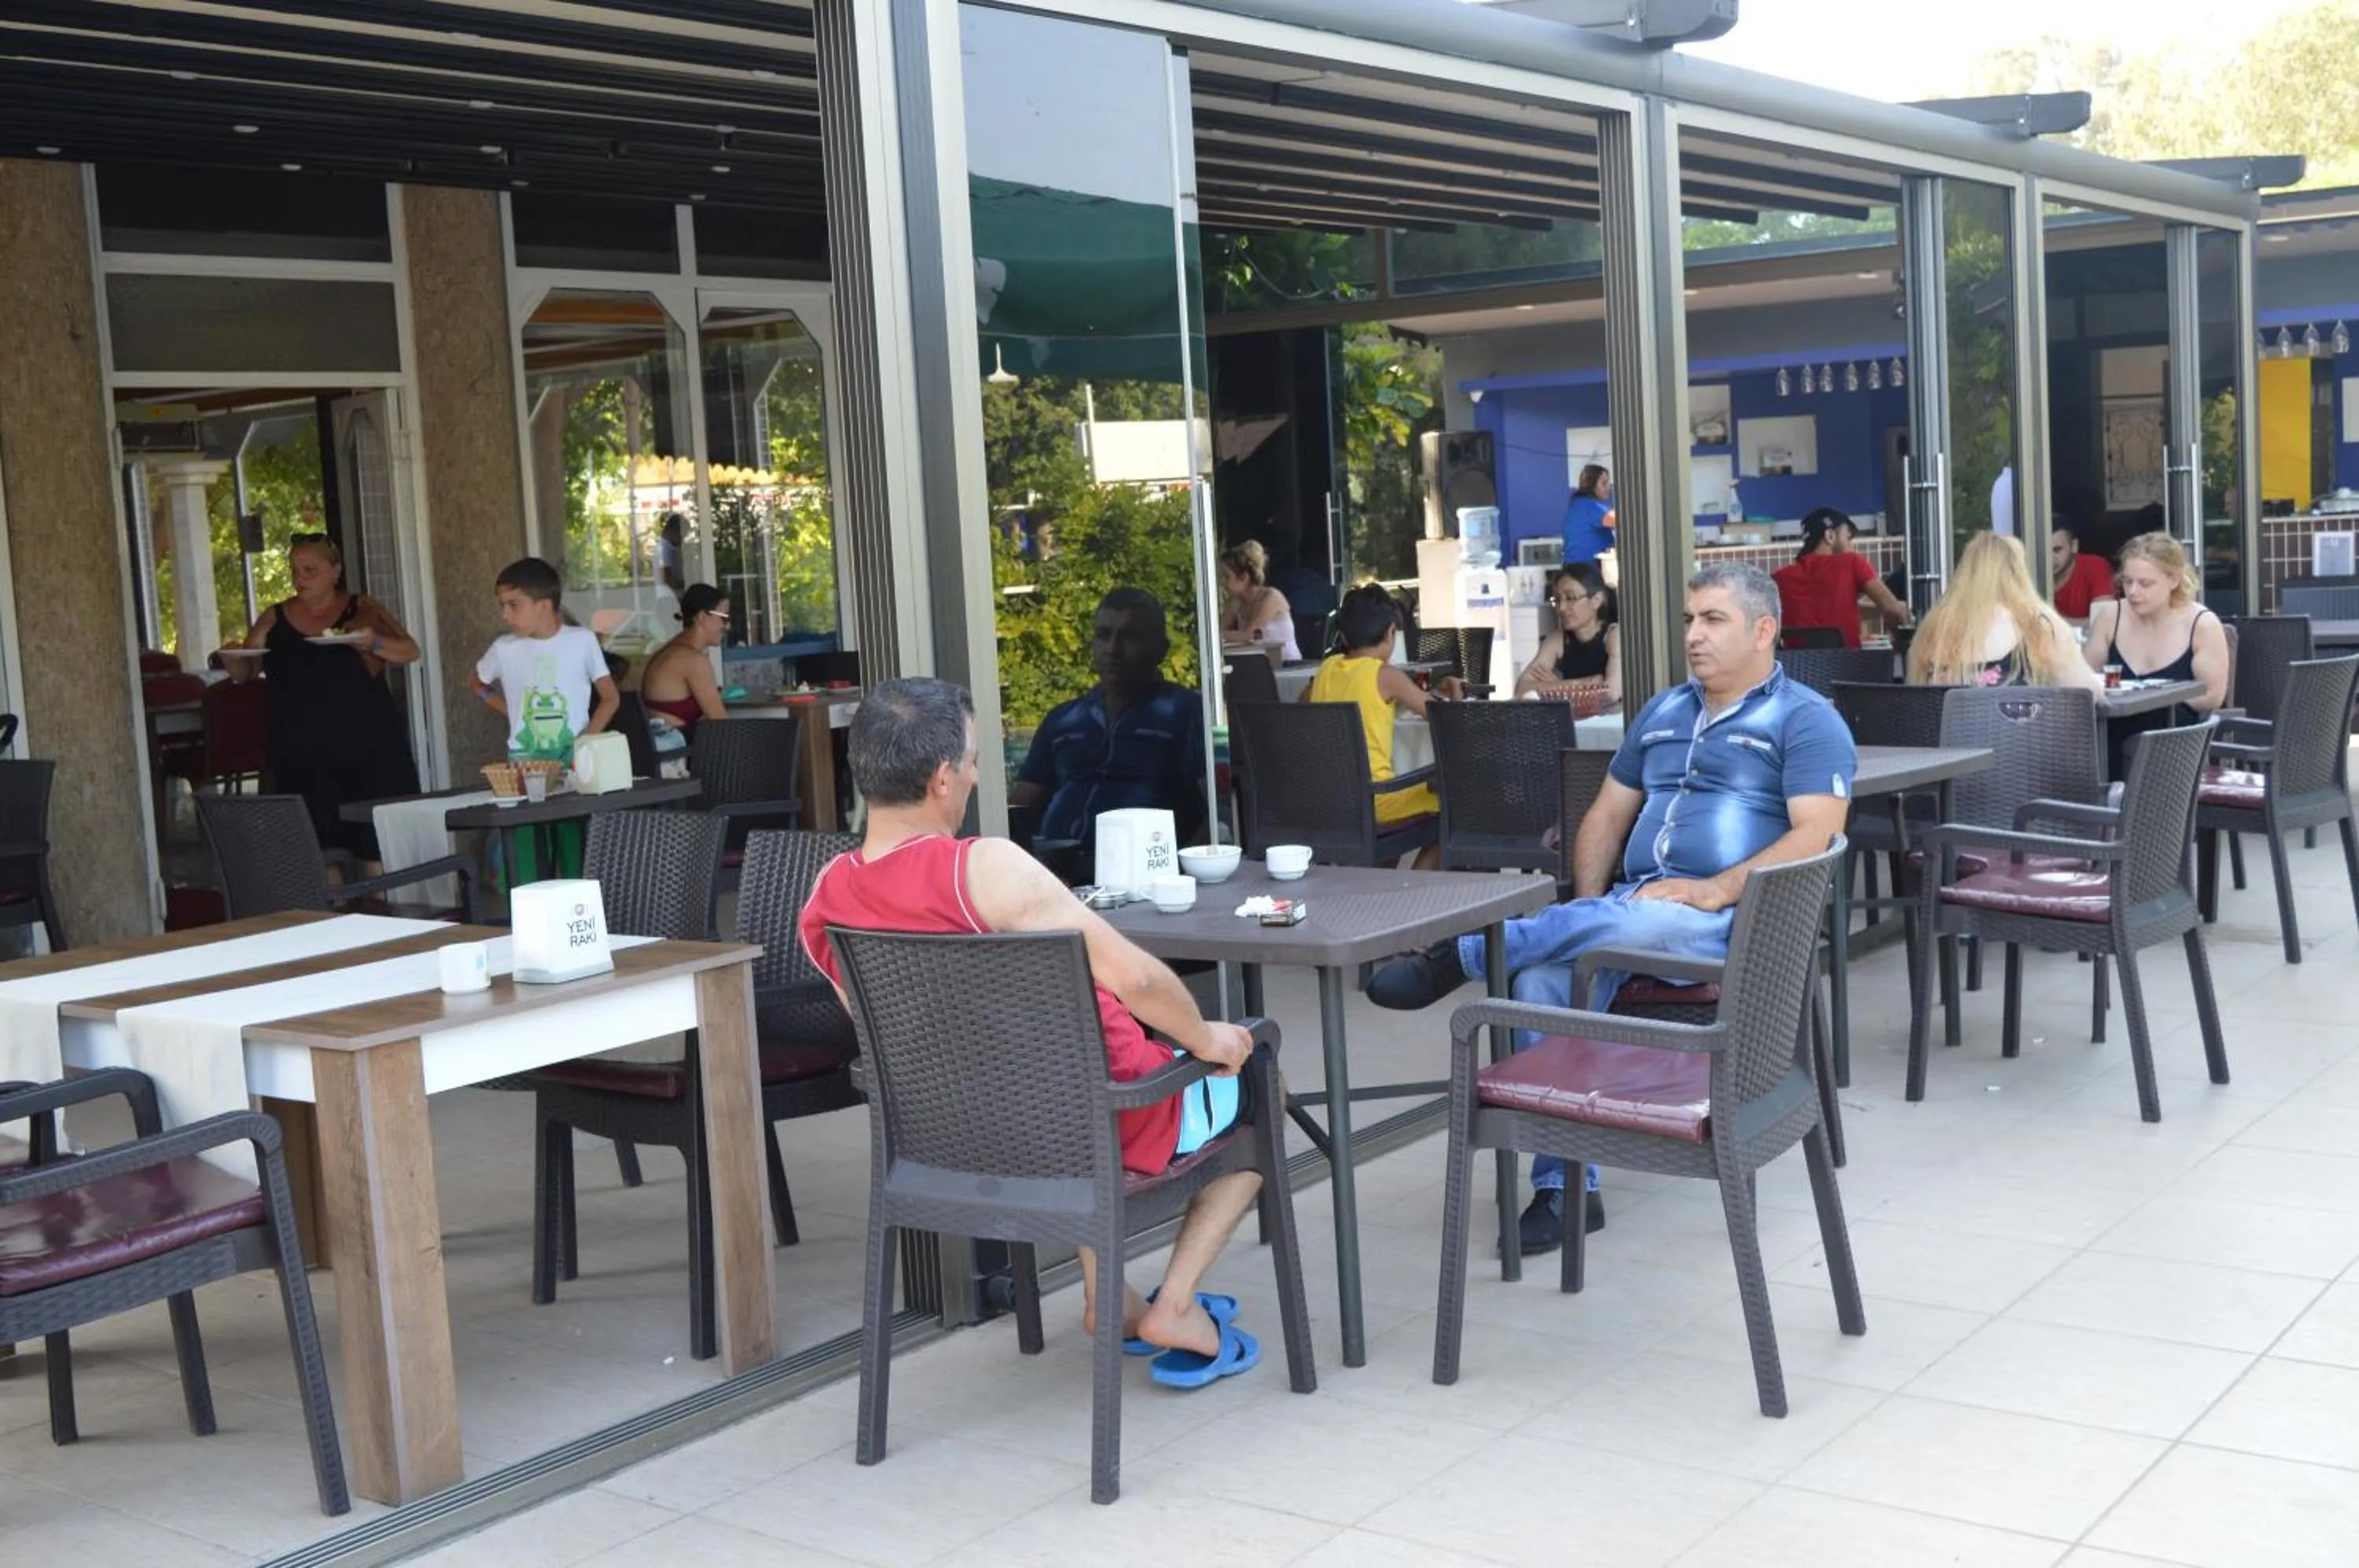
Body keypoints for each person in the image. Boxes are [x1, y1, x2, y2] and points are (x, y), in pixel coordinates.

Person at [1366, 561, 1856, 1254]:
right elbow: (1604, 815)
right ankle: (1567, 1189)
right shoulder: (1663, 711)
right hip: (1634, 908)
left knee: (1613, 927)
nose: (1693, 635)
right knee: (1541, 981)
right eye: (1689, 620)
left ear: (1763, 630)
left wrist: (1715, 889)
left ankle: (1465, 953)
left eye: (1713, 620)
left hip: (1731, 921)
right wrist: (1591, 912)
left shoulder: (1806, 720)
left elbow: (1817, 834)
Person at [798, 677, 1266, 1386]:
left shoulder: (826, 896)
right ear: (941, 778)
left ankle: (1110, 1299)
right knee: (1260, 1081)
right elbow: (1138, 981)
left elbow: (890, 1034)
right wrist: (1206, 1039)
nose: (977, 776)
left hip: (964, 1136)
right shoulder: (984, 869)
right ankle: (1174, 1305)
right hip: (1107, 1118)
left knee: (1059, 1085)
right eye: (973, 761)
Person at [224, 532, 422, 861]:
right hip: (301, 752)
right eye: (295, 570)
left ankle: (380, 894)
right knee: (320, 850)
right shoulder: (274, 616)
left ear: (336, 571)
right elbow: (248, 671)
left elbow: (410, 650)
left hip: (368, 747)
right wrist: (234, 662)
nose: (299, 578)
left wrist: (371, 642)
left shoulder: (361, 608)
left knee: (375, 847)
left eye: (310, 570)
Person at [1012, 589, 1207, 851]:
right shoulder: (1063, 720)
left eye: (1130, 637)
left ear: (1161, 650)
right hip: (1055, 865)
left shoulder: (1184, 713)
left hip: (1146, 866)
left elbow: (1218, 814)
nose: (1113, 649)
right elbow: (1020, 807)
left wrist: (1181, 869)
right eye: (1103, 635)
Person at [470, 557, 620, 878]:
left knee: (576, 851)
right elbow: (477, 683)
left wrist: (584, 743)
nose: (505, 615)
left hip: (573, 762)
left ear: (543, 606)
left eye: (513, 605)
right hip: (524, 763)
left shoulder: (582, 640)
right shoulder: (504, 648)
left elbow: (610, 697)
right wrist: (511, 710)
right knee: (527, 851)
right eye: (502, 606)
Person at [1307, 584, 1463, 867]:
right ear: (1391, 632)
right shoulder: (1385, 675)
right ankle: (1410, 887)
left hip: (1330, 801)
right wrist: (1455, 691)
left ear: (1344, 635)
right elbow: (1445, 719)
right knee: (1457, 806)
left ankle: (1385, 882)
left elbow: (1304, 703)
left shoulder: (1325, 670)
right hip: (1377, 801)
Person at [2081, 531, 2230, 777]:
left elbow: (2212, 696)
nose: (2133, 592)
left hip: (2173, 745)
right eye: (2127, 582)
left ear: (2173, 580)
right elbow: (2084, 680)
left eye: (2145, 584)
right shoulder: (2111, 616)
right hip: (2112, 738)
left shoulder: (2201, 624)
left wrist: (2149, 701)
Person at [1906, 532, 2105, 693]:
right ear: (2018, 573)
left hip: (1950, 732)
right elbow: (2087, 692)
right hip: (2017, 732)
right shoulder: (2037, 623)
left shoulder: (1935, 626)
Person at [1772, 508, 1911, 650]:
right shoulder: (1852, 562)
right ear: (1830, 536)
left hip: (1796, 663)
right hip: (1846, 662)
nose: (1852, 547)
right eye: (1848, 539)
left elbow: (1827, 606)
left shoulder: (1779, 579)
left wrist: (1877, 609)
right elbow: (1894, 610)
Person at [1513, 563, 1619, 698]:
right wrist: (1580, 683)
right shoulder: (1557, 640)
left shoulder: (1613, 636)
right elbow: (1521, 690)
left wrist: (1556, 687)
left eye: (1570, 598)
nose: (1562, 608)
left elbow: (1611, 694)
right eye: (1557, 600)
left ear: (1596, 601)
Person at [641, 583, 731, 732]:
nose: (727, 626)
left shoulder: (670, 651)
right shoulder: (692, 660)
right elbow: (721, 723)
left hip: (665, 741)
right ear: (702, 617)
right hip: (677, 743)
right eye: (724, 618)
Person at [1218, 540, 1301, 662]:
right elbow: (1220, 627)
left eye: (1227, 577)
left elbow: (1250, 635)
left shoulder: (1271, 598)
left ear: (1244, 577)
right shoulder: (1236, 602)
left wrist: (1216, 636)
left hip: (1286, 664)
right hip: (1258, 663)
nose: (1222, 582)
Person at [2049, 522, 2118, 620]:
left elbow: (2105, 621)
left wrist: (2053, 622)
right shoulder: (2031, 570)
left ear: (2074, 546)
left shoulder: (2094, 566)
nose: (2050, 558)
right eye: (2043, 550)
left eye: (2057, 550)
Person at [1562, 464, 1615, 568]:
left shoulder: (1577, 504)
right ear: (1592, 485)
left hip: (1573, 567)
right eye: (1604, 483)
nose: (1609, 487)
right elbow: (1615, 519)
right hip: (1587, 569)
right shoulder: (1590, 506)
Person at [654, 512, 686, 597]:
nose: (683, 539)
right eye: (682, 535)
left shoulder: (671, 548)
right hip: (670, 597)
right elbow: (668, 579)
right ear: (674, 531)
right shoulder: (664, 550)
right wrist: (688, 582)